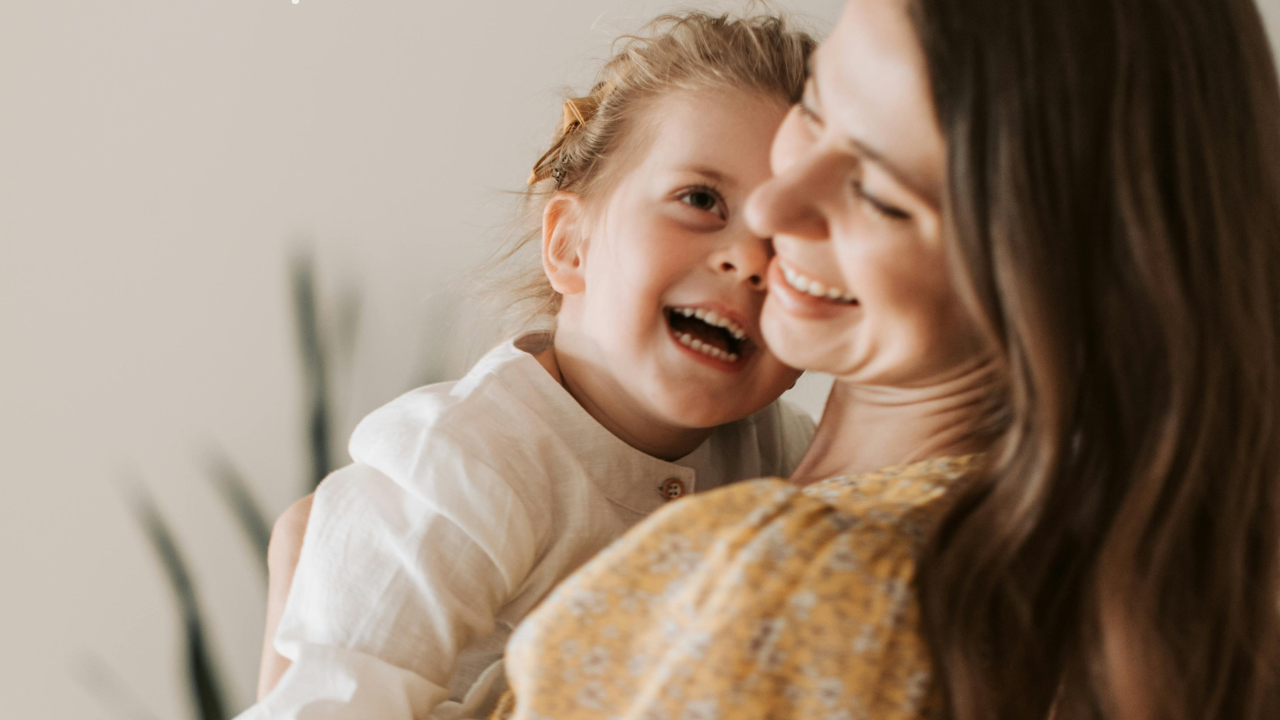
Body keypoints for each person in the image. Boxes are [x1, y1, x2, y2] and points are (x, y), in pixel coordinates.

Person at [487, 0, 1280, 718]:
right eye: (816, 108)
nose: (776, 205)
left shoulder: (797, 585)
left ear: (1053, 278)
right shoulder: (1109, 578)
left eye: (880, 196)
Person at [238, 11, 819, 720]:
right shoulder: (464, 463)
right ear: (570, 246)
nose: (751, 260)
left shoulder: (787, 454)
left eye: (795, 238)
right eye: (700, 201)